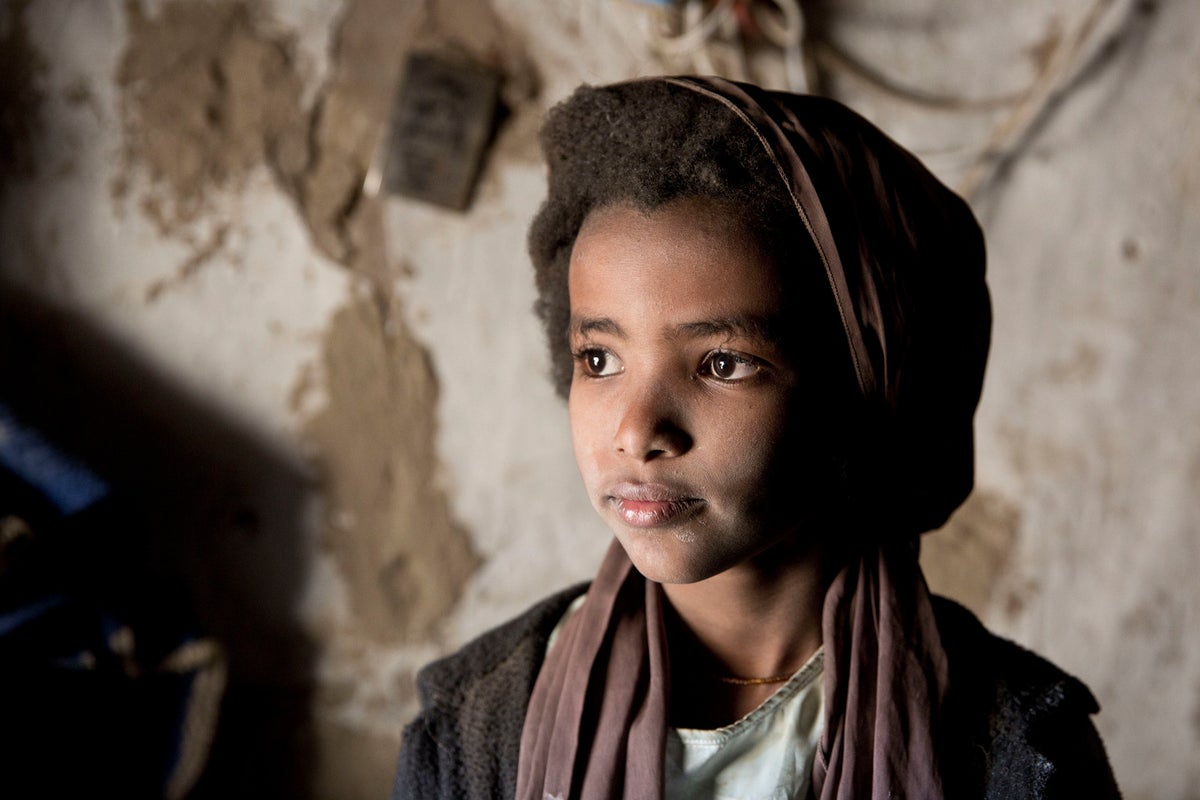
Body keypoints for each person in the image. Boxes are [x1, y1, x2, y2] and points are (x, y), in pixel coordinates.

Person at [391, 76, 1121, 800]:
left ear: (860, 383)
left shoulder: (1019, 753)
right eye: (600, 359)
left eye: (722, 363)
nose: (638, 432)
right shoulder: (475, 727)